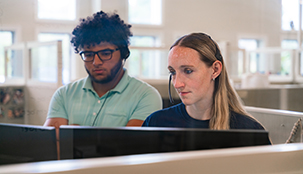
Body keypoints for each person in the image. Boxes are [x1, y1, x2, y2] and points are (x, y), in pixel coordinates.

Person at [44, 11, 162, 127]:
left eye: (105, 54)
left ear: (123, 53)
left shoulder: (146, 95)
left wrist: (77, 135)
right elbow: (51, 142)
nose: (96, 62)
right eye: (88, 55)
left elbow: (131, 143)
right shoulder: (64, 94)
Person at [142, 32, 266, 130]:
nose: (177, 84)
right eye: (173, 72)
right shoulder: (156, 123)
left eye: (188, 71)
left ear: (215, 70)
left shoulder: (248, 131)